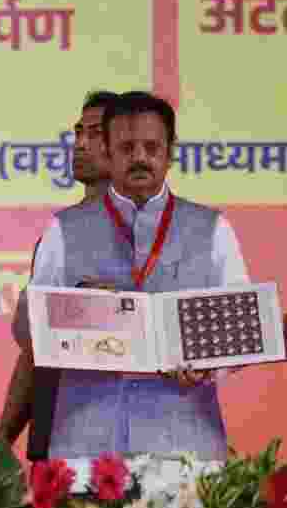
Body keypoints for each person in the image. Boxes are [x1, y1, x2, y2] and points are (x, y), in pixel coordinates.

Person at [14, 91, 263, 482]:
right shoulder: (63, 229)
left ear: (170, 153)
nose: (141, 158)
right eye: (127, 148)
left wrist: (208, 365)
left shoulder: (212, 229)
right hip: (84, 453)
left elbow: (242, 332)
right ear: (108, 153)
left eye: (152, 147)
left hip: (185, 455)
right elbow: (26, 330)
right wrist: (77, 309)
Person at [0, 90, 119, 458]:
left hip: (141, 441)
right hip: (62, 440)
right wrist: (2, 439)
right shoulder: (58, 233)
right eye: (79, 132)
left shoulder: (171, 232)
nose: (81, 143)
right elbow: (36, 349)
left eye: (95, 134)